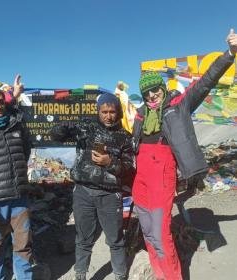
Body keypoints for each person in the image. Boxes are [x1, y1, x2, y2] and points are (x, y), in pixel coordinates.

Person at [132, 29, 237, 280]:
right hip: (141, 178)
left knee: (160, 232)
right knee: (146, 230)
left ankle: (172, 277)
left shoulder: (178, 105)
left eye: (155, 90)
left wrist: (230, 54)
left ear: (162, 88)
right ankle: (158, 273)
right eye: (147, 94)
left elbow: (205, 81)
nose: (151, 96)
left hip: (162, 174)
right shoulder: (140, 115)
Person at [51, 93, 135, 280]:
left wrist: (110, 162)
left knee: (115, 239)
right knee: (83, 239)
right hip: (83, 192)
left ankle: (120, 275)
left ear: (118, 112)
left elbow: (129, 169)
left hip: (110, 195)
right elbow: (56, 135)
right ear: (98, 112)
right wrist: (64, 124)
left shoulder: (125, 137)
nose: (108, 116)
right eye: (104, 111)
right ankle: (80, 275)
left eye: (112, 111)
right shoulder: (86, 127)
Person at [0, 75, 34, 280]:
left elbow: (25, 151)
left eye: (1, 102)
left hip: (19, 198)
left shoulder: (16, 124)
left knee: (23, 246)